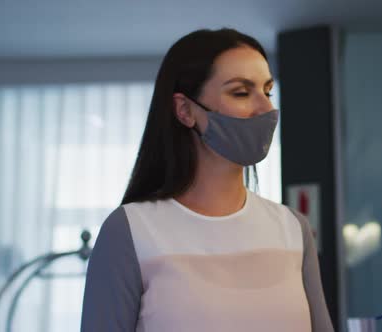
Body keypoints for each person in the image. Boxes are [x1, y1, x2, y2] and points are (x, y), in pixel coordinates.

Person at [80, 28, 334, 332]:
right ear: (186, 110)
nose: (266, 108)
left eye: (267, 91)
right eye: (241, 92)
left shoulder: (293, 228)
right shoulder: (130, 231)